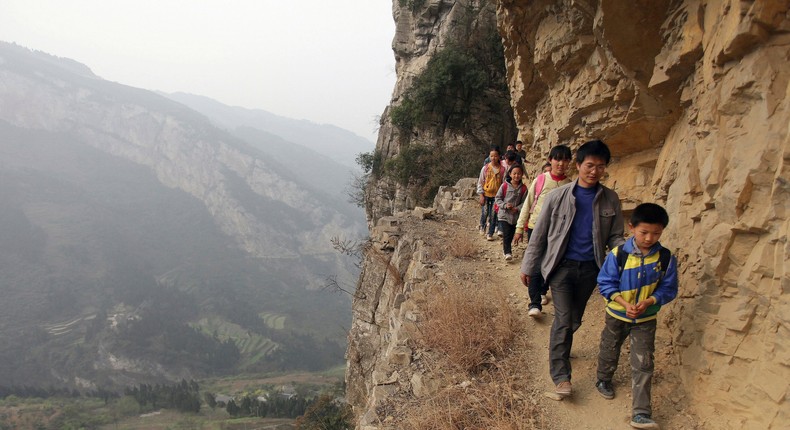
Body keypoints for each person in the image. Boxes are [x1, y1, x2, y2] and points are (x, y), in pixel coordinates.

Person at [519, 139, 625, 398]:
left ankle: (559, 344)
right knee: (565, 320)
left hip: (591, 269)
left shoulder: (610, 199)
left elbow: (615, 237)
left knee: (574, 320)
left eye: (601, 167)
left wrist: (627, 254)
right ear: (578, 165)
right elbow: (540, 235)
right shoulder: (557, 197)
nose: (594, 171)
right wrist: (529, 266)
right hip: (561, 268)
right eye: (589, 165)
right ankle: (561, 377)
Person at [594, 203, 678, 430]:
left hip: (645, 319)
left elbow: (669, 289)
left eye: (656, 233)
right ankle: (603, 378)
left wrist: (650, 301)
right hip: (617, 314)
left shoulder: (666, 258)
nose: (650, 238)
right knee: (610, 346)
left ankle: (641, 413)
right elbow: (605, 283)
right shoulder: (618, 255)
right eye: (644, 232)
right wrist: (623, 303)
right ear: (631, 227)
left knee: (644, 362)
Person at [513, 145, 572, 317]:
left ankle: (542, 290)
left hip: (558, 233)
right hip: (536, 228)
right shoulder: (540, 180)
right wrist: (519, 228)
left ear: (569, 162)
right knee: (535, 264)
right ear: (550, 160)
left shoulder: (570, 185)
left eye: (564, 160)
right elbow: (528, 203)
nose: (560, 163)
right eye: (557, 159)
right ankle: (534, 303)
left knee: (551, 263)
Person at [495, 164, 528, 261]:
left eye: (519, 174)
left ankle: (507, 248)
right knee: (507, 233)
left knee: (512, 233)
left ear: (522, 174)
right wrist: (505, 205)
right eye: (514, 173)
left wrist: (517, 208)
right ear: (510, 174)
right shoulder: (504, 186)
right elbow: (498, 198)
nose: (516, 176)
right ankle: (507, 252)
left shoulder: (523, 189)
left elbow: (525, 203)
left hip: (515, 216)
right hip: (504, 215)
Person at [477, 146, 504, 240]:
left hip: (496, 196)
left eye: (496, 156)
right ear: (489, 156)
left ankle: (490, 233)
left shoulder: (502, 170)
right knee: (485, 212)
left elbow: (503, 184)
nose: (493, 158)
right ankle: (482, 226)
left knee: (493, 215)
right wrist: (481, 195)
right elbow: (481, 181)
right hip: (485, 194)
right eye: (491, 156)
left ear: (499, 156)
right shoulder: (485, 168)